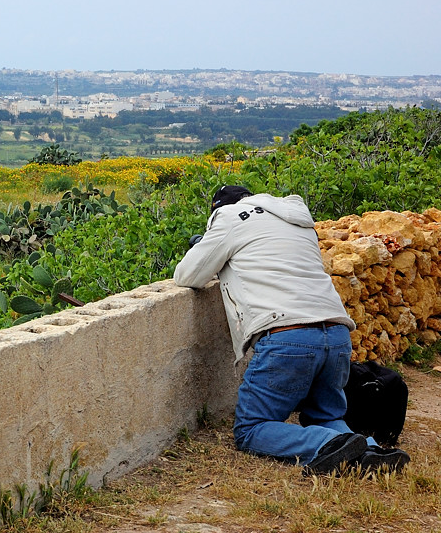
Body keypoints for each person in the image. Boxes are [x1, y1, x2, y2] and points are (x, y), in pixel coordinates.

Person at [173, 185, 410, 474]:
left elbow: (187, 275)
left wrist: (204, 246)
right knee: (326, 416)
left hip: (288, 336)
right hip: (336, 333)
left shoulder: (229, 217)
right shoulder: (297, 219)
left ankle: (328, 446)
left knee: (251, 429)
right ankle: (369, 448)